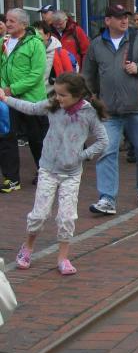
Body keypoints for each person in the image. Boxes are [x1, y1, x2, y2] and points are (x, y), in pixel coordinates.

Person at [3, 73, 108, 275]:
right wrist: (5, 98)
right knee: (40, 214)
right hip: (48, 168)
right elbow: (31, 108)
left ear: (77, 95)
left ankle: (63, 257)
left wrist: (82, 155)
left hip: (71, 173)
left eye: (62, 95)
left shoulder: (88, 113)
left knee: (66, 217)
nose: (57, 98)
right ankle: (28, 247)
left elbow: (103, 141)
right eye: (56, 93)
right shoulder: (54, 105)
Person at [82, 4, 138, 215]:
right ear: (107, 20)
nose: (124, 21)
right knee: (106, 152)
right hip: (108, 111)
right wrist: (92, 98)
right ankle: (107, 198)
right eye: (119, 17)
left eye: (126, 17)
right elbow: (88, 75)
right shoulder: (96, 44)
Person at [0, 9, 48, 192]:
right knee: (7, 138)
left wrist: (12, 89)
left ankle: (45, 173)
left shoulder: (35, 44)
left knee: (37, 139)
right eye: (7, 20)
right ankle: (12, 179)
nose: (8, 24)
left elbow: (36, 74)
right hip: (7, 100)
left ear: (23, 24)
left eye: (12, 21)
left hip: (32, 100)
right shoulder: (3, 42)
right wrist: (3, 90)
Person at [33, 21, 73, 93]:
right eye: (33, 35)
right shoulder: (30, 53)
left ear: (47, 35)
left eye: (39, 34)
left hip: (52, 96)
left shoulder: (60, 53)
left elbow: (70, 78)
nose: (35, 38)